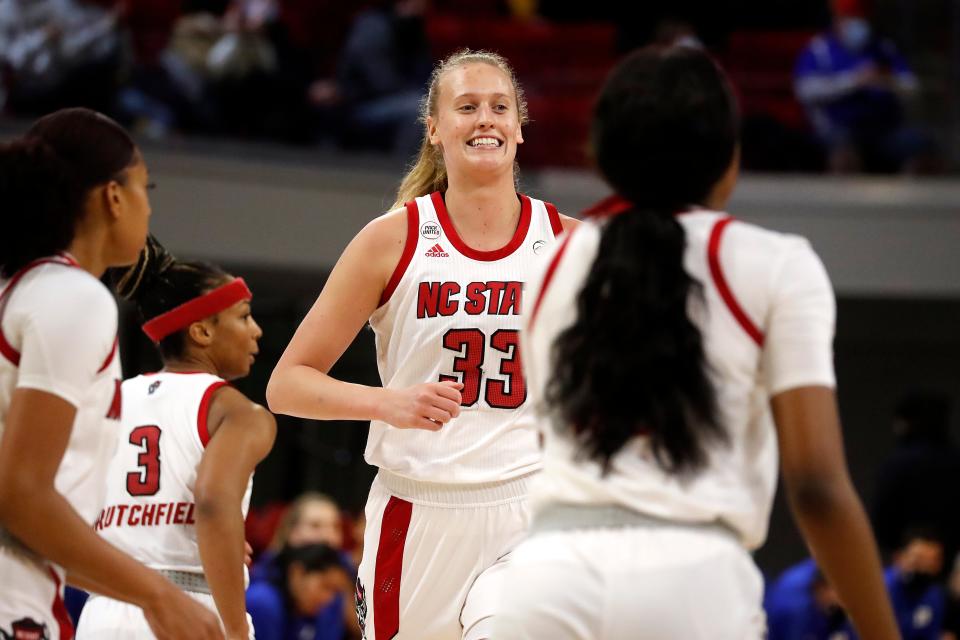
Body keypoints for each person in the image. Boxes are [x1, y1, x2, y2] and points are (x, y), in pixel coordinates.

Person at [492, 45, 897, 639]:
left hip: (545, 577)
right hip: (693, 580)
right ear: (728, 158)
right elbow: (815, 486)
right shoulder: (778, 263)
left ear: (604, 158)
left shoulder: (546, 265)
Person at [267, 48, 577, 640]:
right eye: (466, 107)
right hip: (418, 512)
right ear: (434, 129)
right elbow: (287, 385)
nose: (485, 119)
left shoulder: (570, 243)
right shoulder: (391, 240)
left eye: (499, 107)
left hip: (530, 508)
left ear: (519, 125)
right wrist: (389, 403)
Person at [0, 107, 223, 639]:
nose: (150, 207)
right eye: (147, 186)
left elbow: (31, 522)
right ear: (114, 196)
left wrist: (151, 588)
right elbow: (22, 498)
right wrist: (160, 596)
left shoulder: (18, 291)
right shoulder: (74, 297)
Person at [75, 236, 276, 639]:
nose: (256, 331)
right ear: (201, 331)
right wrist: (236, 630)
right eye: (243, 316)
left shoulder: (111, 398)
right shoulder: (237, 412)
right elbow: (214, 503)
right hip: (188, 607)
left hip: (103, 609)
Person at [793, 0, 934, 173]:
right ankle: (843, 198)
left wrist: (887, 80)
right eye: (849, 17)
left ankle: (910, 198)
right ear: (837, 18)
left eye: (860, 17)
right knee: (843, 151)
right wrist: (854, 81)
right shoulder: (819, 49)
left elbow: (912, 88)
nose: (857, 23)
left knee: (921, 145)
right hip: (838, 129)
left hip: (884, 130)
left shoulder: (883, 47)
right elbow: (805, 90)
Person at [250, 493, 360, 640]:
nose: (328, 536)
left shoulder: (341, 582)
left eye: (335, 527)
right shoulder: (262, 593)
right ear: (291, 531)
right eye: (315, 525)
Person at [246, 543, 349, 640]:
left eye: (335, 591)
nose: (329, 598)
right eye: (325, 586)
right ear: (297, 573)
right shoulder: (262, 602)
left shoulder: (312, 612)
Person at [885, 528, 947, 639]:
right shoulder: (883, 589)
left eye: (930, 563)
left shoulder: (934, 595)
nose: (923, 570)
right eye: (918, 561)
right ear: (899, 558)